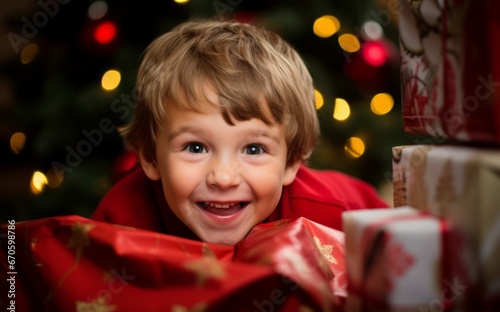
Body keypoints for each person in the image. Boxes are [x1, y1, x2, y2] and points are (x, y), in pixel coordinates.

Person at [92, 19, 388, 245]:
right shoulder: (120, 226)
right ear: (150, 158)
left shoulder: (329, 216)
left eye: (254, 149)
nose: (223, 178)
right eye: (195, 148)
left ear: (291, 163)